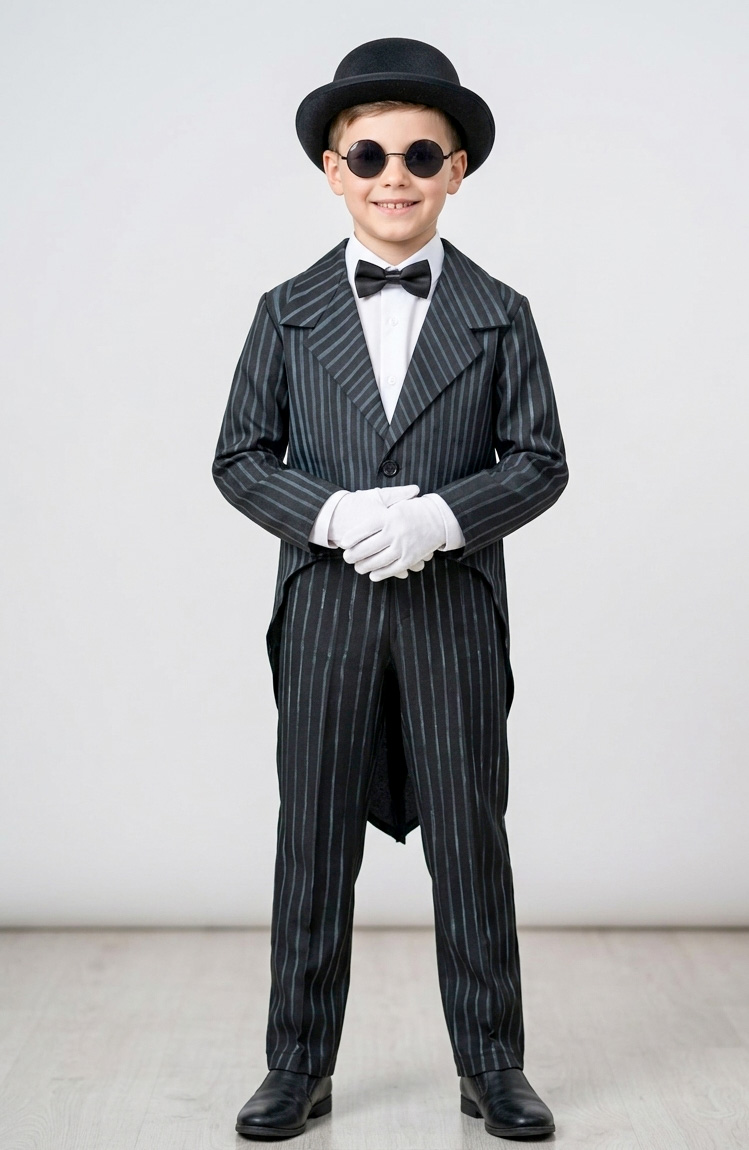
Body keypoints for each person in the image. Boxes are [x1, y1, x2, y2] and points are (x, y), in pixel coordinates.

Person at [212, 36, 568, 1142]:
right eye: (368, 156)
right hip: (325, 614)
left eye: (420, 155)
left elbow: (539, 459)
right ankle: (296, 1064)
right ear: (334, 170)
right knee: (313, 839)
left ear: (455, 170)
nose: (394, 177)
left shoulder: (500, 310)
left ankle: (492, 1066)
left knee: (470, 839)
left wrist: (438, 519)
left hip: (452, 612)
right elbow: (239, 456)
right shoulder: (285, 309)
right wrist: (329, 514)